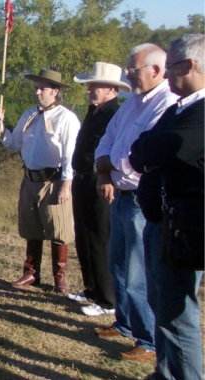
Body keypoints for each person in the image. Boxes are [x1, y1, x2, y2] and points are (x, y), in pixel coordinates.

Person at [92, 43, 178, 362]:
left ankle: (148, 340)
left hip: (142, 200)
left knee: (138, 271)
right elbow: (107, 139)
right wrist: (105, 170)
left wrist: (109, 166)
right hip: (119, 195)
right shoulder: (132, 103)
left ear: (156, 70)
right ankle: (125, 323)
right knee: (118, 264)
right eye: (128, 70)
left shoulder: (166, 104)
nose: (129, 76)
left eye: (134, 70)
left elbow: (139, 158)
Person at [130, 33, 205, 380]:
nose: (168, 74)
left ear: (189, 66)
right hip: (163, 222)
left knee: (177, 313)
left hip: (185, 225)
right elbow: (141, 147)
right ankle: (166, 372)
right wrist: (148, 152)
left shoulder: (202, 112)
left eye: (172, 66)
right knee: (161, 304)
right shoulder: (179, 108)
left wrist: (149, 152)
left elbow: (171, 150)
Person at [0, 69, 80, 294]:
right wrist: (1, 127)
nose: (38, 92)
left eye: (42, 88)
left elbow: (71, 154)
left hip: (53, 181)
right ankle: (31, 273)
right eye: (36, 88)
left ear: (55, 91)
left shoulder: (67, 118)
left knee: (58, 229)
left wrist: (66, 183)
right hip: (29, 179)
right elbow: (14, 145)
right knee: (31, 228)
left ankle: (59, 277)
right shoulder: (29, 115)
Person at [68, 62, 130, 316]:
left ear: (110, 89)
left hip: (100, 182)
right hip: (81, 180)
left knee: (99, 237)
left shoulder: (115, 114)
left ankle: (107, 300)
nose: (88, 90)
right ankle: (91, 289)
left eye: (93, 86)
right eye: (88, 86)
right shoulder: (94, 111)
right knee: (83, 235)